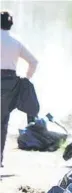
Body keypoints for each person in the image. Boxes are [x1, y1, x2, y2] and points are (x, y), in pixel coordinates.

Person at [1, 10, 38, 167]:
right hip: (10, 82)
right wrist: (26, 79)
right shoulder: (16, 42)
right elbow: (34, 61)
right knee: (3, 121)